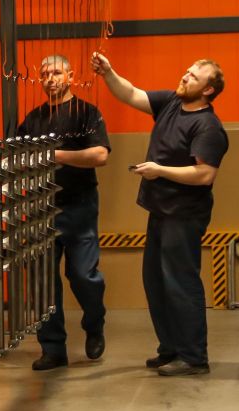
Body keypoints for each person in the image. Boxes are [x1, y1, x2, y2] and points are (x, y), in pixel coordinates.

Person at [89, 52, 228, 376]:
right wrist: (109, 72)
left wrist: (160, 170)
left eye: (194, 76)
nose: (185, 76)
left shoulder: (208, 126)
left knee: (180, 283)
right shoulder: (170, 103)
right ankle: (170, 349)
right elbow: (131, 93)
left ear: (208, 90)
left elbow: (204, 174)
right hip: (161, 211)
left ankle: (193, 357)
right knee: (156, 283)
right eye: (187, 71)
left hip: (184, 215)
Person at [17, 54, 111, 371]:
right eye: (44, 74)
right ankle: (53, 348)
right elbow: (19, 160)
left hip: (79, 205)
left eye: (56, 72)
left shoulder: (87, 113)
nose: (50, 79)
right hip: (41, 209)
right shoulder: (32, 120)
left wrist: (52, 155)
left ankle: (95, 324)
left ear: (70, 76)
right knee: (43, 281)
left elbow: (99, 155)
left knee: (83, 275)